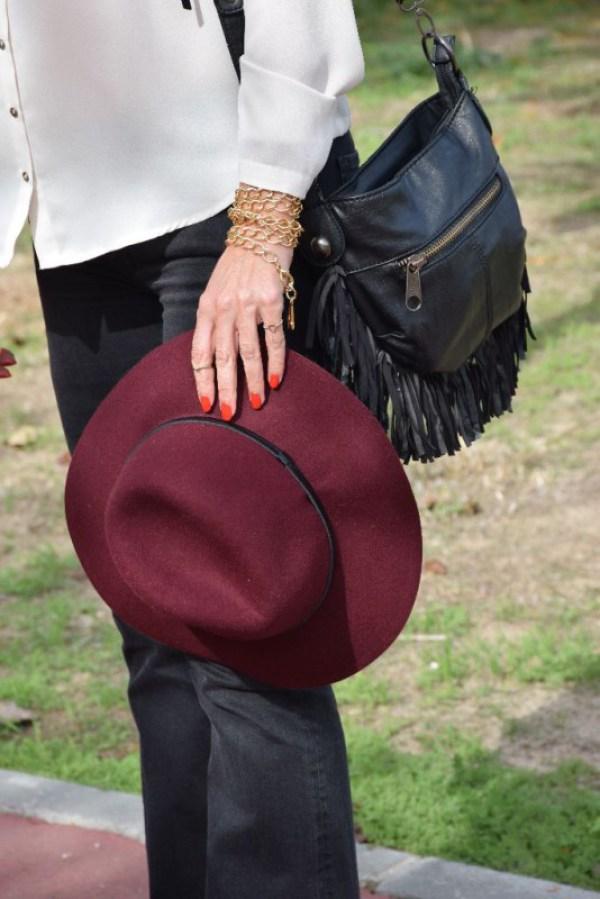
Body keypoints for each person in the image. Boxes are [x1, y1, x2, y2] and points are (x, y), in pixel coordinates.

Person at [0, 2, 366, 896]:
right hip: (76, 226)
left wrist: (265, 226)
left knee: (245, 628)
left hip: (222, 197)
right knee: (157, 629)